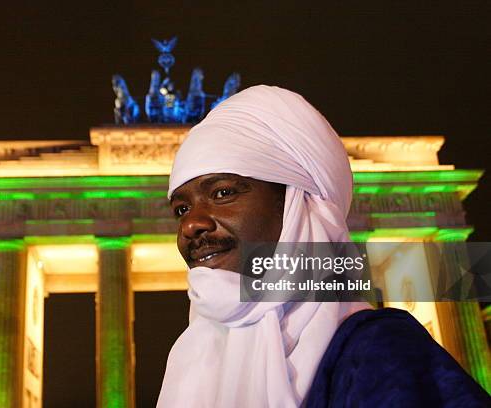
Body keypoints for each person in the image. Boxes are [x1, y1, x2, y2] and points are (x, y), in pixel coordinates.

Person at [157, 85, 490, 407]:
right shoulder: (191, 360)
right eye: (181, 210)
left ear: (294, 204)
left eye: (223, 192)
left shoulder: (384, 353)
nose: (190, 224)